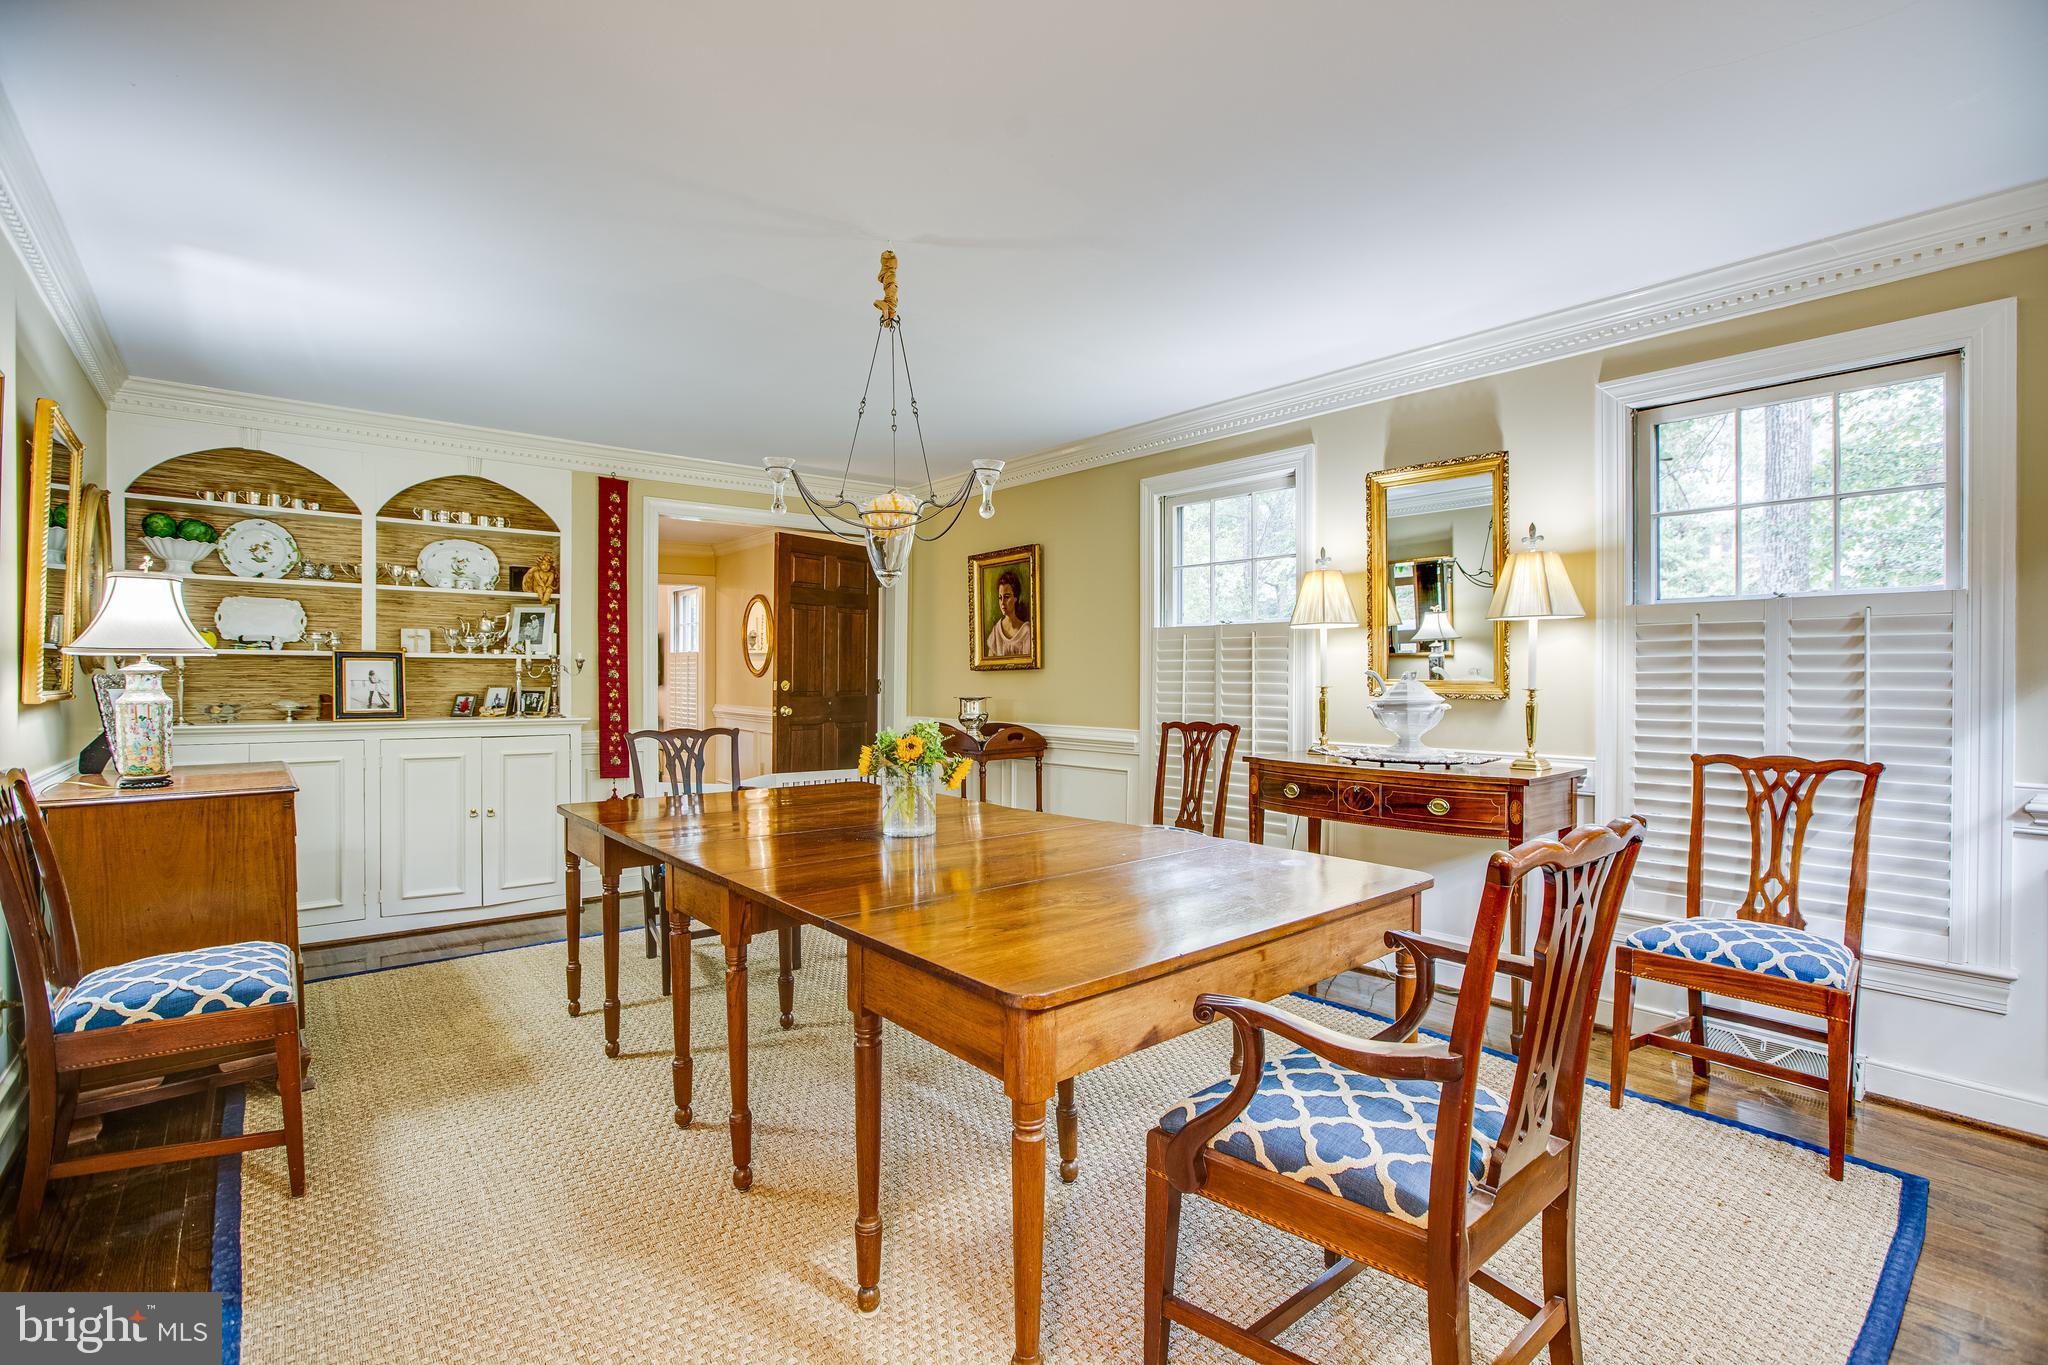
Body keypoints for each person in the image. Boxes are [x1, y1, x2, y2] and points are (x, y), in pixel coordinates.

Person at [984, 569, 1034, 659]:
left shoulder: (1027, 631)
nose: (1002, 602)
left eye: (1007, 597)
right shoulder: (996, 632)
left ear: (1015, 598)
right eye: (1000, 597)